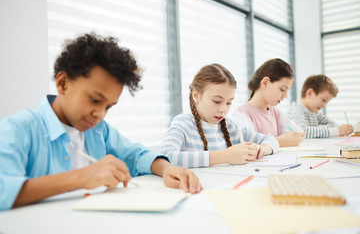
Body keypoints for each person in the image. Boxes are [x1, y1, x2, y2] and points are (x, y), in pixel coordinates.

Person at [0, 33, 202, 211]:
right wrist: (82, 177)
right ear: (63, 83)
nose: (100, 114)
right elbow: (3, 190)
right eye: (95, 100)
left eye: (108, 106)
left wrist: (167, 169)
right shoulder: (17, 130)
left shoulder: (97, 129)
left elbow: (134, 154)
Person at [160, 64, 279, 168]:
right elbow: (165, 157)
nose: (223, 110)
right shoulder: (183, 123)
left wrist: (261, 149)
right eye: (217, 101)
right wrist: (224, 156)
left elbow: (271, 140)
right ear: (196, 95)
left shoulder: (230, 126)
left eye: (229, 103)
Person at [230, 58, 305, 147]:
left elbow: (298, 132)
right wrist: (281, 141)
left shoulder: (277, 114)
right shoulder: (242, 114)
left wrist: (294, 137)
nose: (285, 96)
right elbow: (246, 145)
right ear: (265, 82)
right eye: (282, 89)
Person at [288, 74, 353, 138]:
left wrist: (315, 130)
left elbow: (333, 125)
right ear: (310, 93)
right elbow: (302, 132)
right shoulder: (296, 110)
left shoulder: (315, 113)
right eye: (323, 100)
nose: (324, 106)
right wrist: (335, 131)